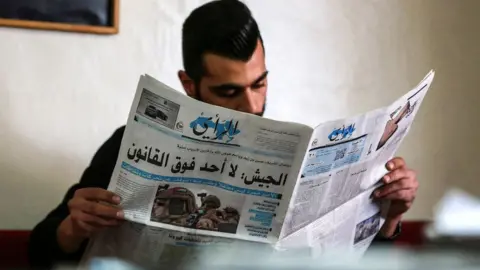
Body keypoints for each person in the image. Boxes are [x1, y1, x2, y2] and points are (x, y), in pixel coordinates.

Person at [28, 0, 419, 268]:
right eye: (228, 91)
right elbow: (39, 248)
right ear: (189, 84)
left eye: (259, 84)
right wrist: (73, 227)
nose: (251, 106)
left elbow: (345, 260)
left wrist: (389, 216)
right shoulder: (130, 145)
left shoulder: (297, 157)